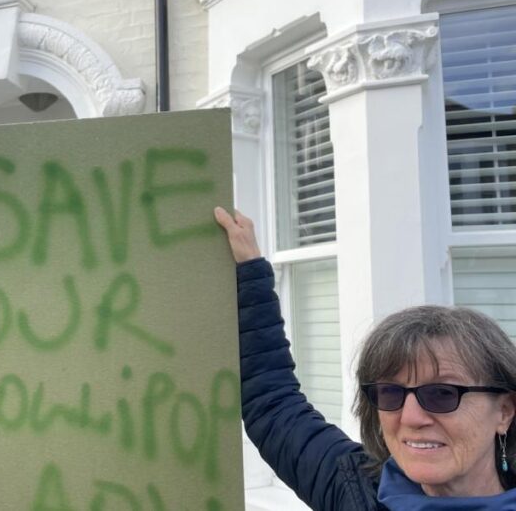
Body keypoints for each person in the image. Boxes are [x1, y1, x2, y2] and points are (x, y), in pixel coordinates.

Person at [215, 206, 516, 509]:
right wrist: (252, 272)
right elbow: (273, 404)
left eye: (442, 394)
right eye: (391, 393)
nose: (410, 418)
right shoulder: (355, 489)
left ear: (504, 411)